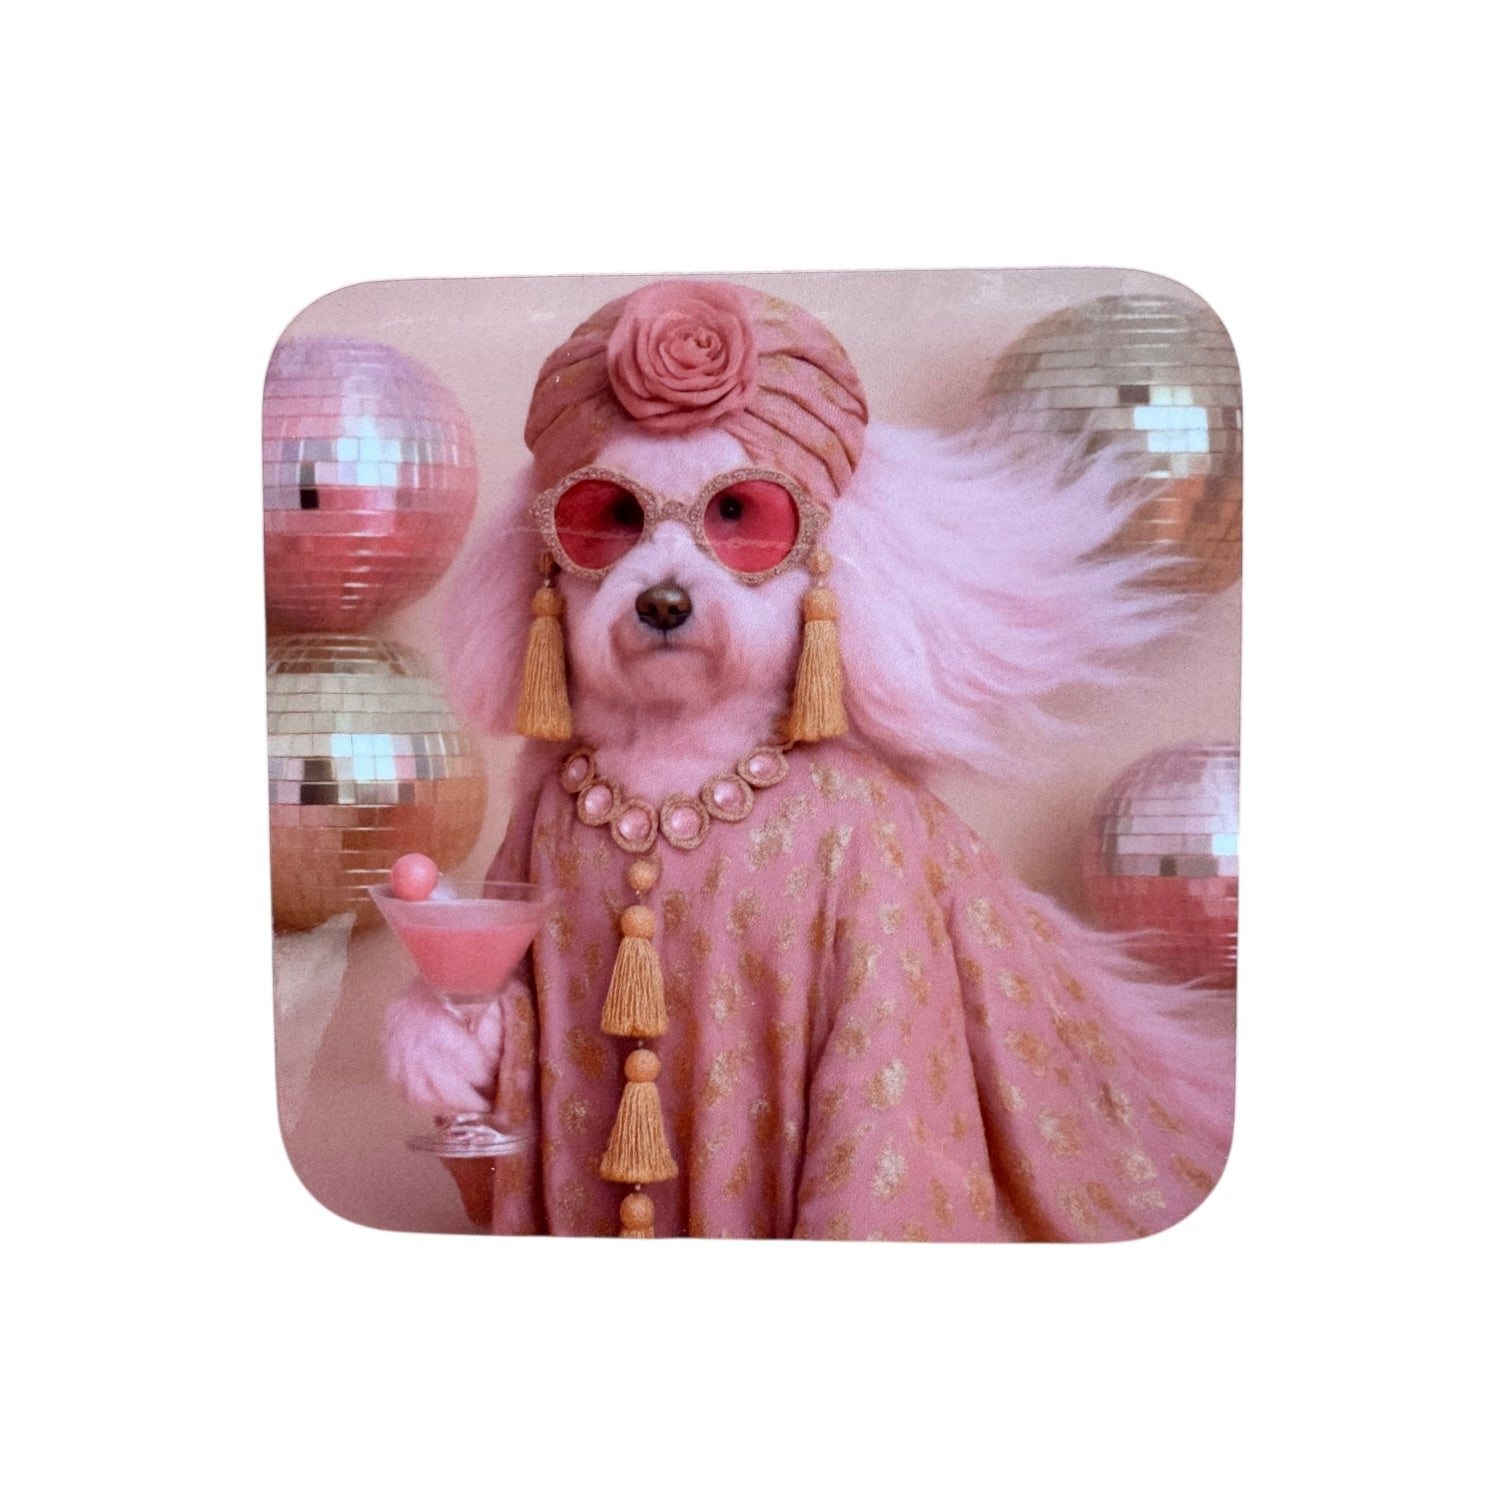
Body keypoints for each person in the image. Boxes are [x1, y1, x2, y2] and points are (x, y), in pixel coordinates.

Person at [386, 279, 1234, 1239]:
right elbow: (523, 1061)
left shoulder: (856, 826)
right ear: (547, 570)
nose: (665, 584)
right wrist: (460, 1026)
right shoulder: (557, 808)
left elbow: (888, 1111)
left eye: (737, 518)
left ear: (823, 571)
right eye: (613, 520)